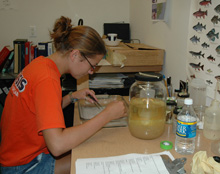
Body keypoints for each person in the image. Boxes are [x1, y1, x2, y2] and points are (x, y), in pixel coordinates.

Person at [0, 16, 127, 174]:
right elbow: (58, 145)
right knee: (92, 158)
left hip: (16, 156)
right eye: (92, 66)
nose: (91, 71)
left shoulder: (41, 64)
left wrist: (72, 96)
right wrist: (107, 115)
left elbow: (43, 111)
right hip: (22, 166)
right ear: (75, 55)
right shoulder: (47, 79)